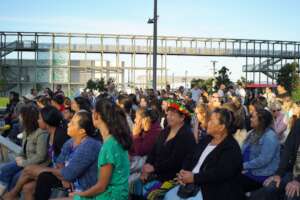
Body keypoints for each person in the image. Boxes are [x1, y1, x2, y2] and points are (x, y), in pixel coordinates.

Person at [164, 108, 244, 200]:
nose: (207, 123)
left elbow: (219, 174)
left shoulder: (231, 148)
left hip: (211, 190)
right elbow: (190, 156)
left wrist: (194, 178)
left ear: (221, 127)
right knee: (168, 196)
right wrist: (183, 171)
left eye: (211, 121)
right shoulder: (207, 139)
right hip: (191, 184)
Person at [130, 99, 196, 200]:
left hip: (172, 176)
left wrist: (154, 168)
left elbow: (175, 161)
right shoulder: (166, 130)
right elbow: (153, 151)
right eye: (168, 114)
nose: (168, 117)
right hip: (157, 173)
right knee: (133, 187)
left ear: (182, 118)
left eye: (172, 115)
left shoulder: (186, 135)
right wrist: (146, 167)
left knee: (152, 195)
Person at [72, 98, 132, 200]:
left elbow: (101, 186)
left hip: (111, 197)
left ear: (96, 115)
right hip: (119, 195)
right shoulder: (116, 140)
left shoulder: (109, 146)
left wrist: (80, 195)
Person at [4, 106, 70, 200]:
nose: (37, 120)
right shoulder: (49, 133)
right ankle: (12, 194)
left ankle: (12, 194)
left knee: (27, 170)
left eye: (39, 118)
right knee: (27, 188)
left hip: (62, 175)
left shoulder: (60, 136)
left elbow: (66, 162)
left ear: (46, 121)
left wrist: (64, 178)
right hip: (55, 170)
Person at [33, 110, 101, 200]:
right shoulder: (71, 141)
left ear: (81, 131)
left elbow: (69, 174)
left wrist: (49, 170)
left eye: (72, 123)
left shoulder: (90, 145)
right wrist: (63, 177)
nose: (68, 124)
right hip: (70, 183)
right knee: (43, 177)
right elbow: (59, 162)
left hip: (84, 191)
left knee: (40, 174)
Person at [0, 105, 49, 196]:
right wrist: (19, 156)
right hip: (25, 160)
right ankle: (6, 194)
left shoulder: (42, 133)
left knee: (16, 177)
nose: (19, 117)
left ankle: (10, 195)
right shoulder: (27, 130)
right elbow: (23, 149)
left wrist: (23, 163)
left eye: (21, 115)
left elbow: (41, 156)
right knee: (5, 169)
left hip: (37, 164)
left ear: (27, 118)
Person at [252, 118, 300, 200]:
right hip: (293, 172)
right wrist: (278, 174)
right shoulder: (298, 124)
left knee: (291, 195)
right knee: (270, 187)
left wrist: (298, 181)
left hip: (297, 178)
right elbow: (287, 150)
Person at [240, 108, 280, 195]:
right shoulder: (252, 132)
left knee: (233, 185)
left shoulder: (270, 136)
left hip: (260, 174)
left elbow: (263, 160)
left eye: (253, 117)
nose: (250, 119)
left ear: (261, 121)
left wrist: (242, 166)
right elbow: (243, 151)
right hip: (247, 170)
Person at [130, 108, 161, 184]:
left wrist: (136, 135)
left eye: (137, 118)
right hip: (138, 164)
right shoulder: (144, 130)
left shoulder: (155, 132)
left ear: (145, 120)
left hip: (146, 168)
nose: (135, 120)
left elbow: (140, 151)